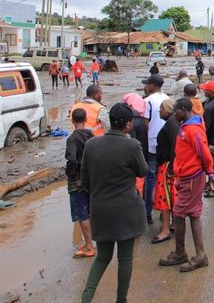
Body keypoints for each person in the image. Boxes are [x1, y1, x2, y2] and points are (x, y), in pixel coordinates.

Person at [80, 103, 148, 302]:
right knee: (125, 258)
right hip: (126, 210)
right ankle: (121, 299)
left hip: (100, 209)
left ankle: (86, 298)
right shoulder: (132, 145)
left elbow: (85, 181)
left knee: (102, 257)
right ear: (128, 125)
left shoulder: (91, 144)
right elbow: (142, 171)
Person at [159, 98, 214, 272]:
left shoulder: (192, 130)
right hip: (187, 175)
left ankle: (185, 252)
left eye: (176, 111)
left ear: (184, 110)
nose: (174, 114)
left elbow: (204, 153)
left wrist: (210, 172)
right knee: (193, 213)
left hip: (192, 176)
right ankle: (194, 254)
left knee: (180, 213)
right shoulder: (187, 127)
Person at [65, 108, 96, 259]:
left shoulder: (72, 139)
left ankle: (89, 246)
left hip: (77, 180)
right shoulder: (91, 136)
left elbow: (71, 159)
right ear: (85, 120)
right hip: (91, 179)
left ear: (72, 121)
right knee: (90, 211)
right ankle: (90, 242)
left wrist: (70, 173)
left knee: (82, 214)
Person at [143, 74, 170, 224]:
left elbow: (145, 123)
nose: (146, 87)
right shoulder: (167, 98)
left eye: (147, 84)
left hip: (152, 143)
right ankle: (163, 211)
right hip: (165, 144)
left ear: (153, 85)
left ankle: (148, 212)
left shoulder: (147, 101)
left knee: (151, 179)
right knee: (164, 177)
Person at [151, 99, 179, 244]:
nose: (159, 111)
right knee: (170, 196)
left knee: (165, 198)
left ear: (167, 110)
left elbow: (176, 143)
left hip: (167, 165)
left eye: (161, 109)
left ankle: (165, 230)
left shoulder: (171, 123)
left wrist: (171, 165)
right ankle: (173, 224)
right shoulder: (172, 122)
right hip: (168, 163)